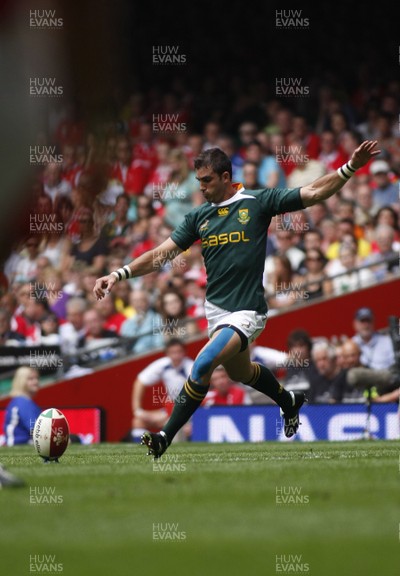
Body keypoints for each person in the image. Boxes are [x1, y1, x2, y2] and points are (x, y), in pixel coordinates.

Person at [93, 140, 380, 458]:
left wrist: (350, 167)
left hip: (247, 311)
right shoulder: (198, 217)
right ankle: (289, 401)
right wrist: (118, 274)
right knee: (240, 373)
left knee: (202, 364)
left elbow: (312, 193)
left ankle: (164, 436)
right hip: (217, 313)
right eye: (199, 180)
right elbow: (161, 254)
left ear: (226, 176)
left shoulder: (257, 202)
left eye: (207, 180)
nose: (201, 187)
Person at [130, 338, 194, 442]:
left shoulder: (191, 367)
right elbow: (140, 381)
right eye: (173, 352)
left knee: (177, 431)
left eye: (179, 352)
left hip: (188, 412)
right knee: (138, 421)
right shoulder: (163, 365)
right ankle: (141, 451)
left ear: (184, 352)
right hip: (169, 410)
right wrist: (137, 410)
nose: (176, 356)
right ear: (167, 354)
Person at [3, 367, 41, 445]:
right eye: (30, 379)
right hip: (19, 444)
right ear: (21, 381)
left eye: (36, 378)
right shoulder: (22, 402)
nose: (36, 381)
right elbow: (35, 430)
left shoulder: (22, 401)